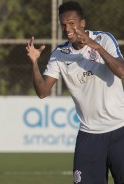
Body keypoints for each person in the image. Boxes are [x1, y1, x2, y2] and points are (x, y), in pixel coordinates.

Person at [26, 1, 124, 184]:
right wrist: (33, 63)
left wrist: (97, 48)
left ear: (82, 23)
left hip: (120, 130)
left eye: (71, 23)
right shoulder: (59, 54)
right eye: (63, 25)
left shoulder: (104, 39)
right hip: (89, 136)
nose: (67, 29)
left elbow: (122, 72)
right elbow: (43, 92)